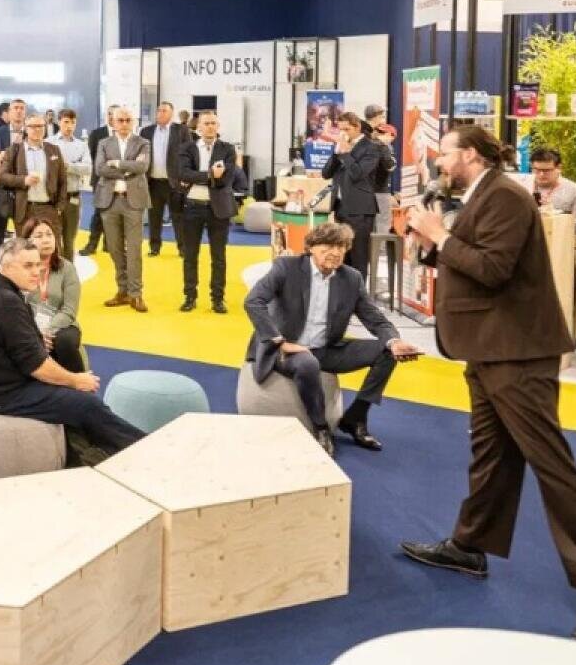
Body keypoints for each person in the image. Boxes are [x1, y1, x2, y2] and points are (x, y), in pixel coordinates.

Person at [400, 124, 576, 642]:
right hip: (488, 348)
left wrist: (440, 236)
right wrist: (432, 242)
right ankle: (470, 544)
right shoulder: (484, 195)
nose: (439, 161)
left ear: (473, 156)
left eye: (447, 154)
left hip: (518, 351)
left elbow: (495, 268)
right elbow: (471, 259)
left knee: (551, 463)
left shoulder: (503, 196)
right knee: (491, 455)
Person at [244, 222, 419, 453]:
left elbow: (374, 318)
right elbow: (253, 301)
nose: (335, 253)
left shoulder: (351, 278)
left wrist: (395, 341)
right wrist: (279, 341)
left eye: (341, 247)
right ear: (312, 247)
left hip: (326, 348)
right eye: (328, 246)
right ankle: (321, 427)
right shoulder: (286, 267)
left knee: (387, 352)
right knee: (307, 363)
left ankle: (356, 417)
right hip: (285, 349)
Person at [0, 238, 145, 457]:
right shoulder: (5, 301)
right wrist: (76, 380)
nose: (36, 271)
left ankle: (86, 453)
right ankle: (145, 450)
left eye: (38, 265)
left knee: (78, 395)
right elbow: (36, 365)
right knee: (86, 405)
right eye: (28, 266)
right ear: (6, 267)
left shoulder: (0, 291)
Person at [172, 110, 244, 314]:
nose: (210, 126)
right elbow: (182, 173)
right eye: (206, 123)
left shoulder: (228, 149)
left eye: (214, 123)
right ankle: (189, 296)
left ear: (218, 126)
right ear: (198, 127)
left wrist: (198, 177)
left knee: (218, 257)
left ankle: (218, 299)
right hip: (192, 207)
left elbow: (227, 178)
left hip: (218, 209)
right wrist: (211, 175)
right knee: (190, 255)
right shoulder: (186, 148)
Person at [320, 111, 395, 278]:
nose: (343, 134)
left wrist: (346, 154)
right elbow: (325, 173)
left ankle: (358, 295)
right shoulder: (341, 147)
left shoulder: (372, 148)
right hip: (340, 208)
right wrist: (336, 153)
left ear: (357, 127)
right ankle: (343, 292)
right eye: (340, 130)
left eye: (346, 129)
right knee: (341, 254)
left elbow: (357, 174)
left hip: (360, 210)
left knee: (359, 256)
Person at [94, 106, 151, 312]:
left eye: (128, 120)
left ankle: (136, 294)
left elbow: (142, 167)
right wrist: (128, 168)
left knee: (134, 249)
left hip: (133, 202)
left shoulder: (143, 142)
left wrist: (117, 163)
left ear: (133, 121)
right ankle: (123, 290)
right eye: (121, 120)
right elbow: (99, 168)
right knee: (115, 249)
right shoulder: (103, 143)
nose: (125, 124)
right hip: (109, 202)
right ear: (113, 122)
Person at [18, 216, 85, 373]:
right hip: (29, 326)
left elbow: (69, 310)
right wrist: (35, 332)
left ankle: (80, 385)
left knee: (64, 341)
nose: (46, 240)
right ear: (27, 241)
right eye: (39, 236)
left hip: (61, 325)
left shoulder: (67, 268)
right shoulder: (20, 269)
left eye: (49, 234)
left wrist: (47, 330)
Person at [0, 113, 69, 235]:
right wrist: (24, 180)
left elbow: (62, 181)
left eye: (40, 126)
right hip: (24, 209)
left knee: (51, 249)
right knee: (26, 249)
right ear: (25, 128)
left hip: (49, 209)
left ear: (45, 128)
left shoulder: (54, 150)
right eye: (32, 126)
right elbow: (1, 176)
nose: (37, 129)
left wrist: (59, 207)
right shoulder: (14, 151)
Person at [139, 102, 193, 256]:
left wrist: (186, 177)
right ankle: (154, 247)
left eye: (164, 111)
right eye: (159, 110)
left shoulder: (181, 130)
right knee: (154, 217)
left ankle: (183, 248)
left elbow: (189, 155)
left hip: (174, 183)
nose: (160, 113)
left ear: (171, 113)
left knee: (178, 216)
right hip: (153, 183)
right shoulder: (146, 131)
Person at [0, 99, 29, 258]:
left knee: (23, 233)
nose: (18, 111)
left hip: (24, 190)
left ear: (25, 112)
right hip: (1, 190)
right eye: (15, 108)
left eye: (21, 108)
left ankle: (23, 264)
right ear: (8, 112)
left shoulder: (31, 132)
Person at [47, 109, 93, 258]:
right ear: (59, 122)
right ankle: (53, 275)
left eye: (73, 122)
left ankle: (68, 277)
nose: (69, 126)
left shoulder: (81, 145)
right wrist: (75, 165)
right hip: (52, 199)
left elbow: (87, 168)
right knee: (53, 240)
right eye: (66, 122)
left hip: (73, 198)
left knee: (69, 240)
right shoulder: (48, 143)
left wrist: (68, 166)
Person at [528, 148, 576, 235]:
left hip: (558, 243)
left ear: (558, 168)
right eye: (537, 170)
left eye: (546, 171)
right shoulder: (524, 187)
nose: (541, 174)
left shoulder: (574, 190)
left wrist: (554, 216)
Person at [80, 112, 113, 255]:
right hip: (100, 181)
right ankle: (92, 244)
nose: (113, 118)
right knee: (99, 213)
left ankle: (109, 244)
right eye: (110, 114)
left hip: (118, 181)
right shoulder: (97, 133)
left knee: (114, 213)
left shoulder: (124, 134)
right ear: (107, 116)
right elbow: (92, 156)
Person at [362, 104, 398, 234]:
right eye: (382, 116)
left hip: (367, 190)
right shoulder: (375, 141)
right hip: (376, 191)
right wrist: (383, 145)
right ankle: (379, 252)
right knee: (381, 227)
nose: (383, 119)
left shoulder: (364, 136)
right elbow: (389, 165)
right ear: (375, 118)